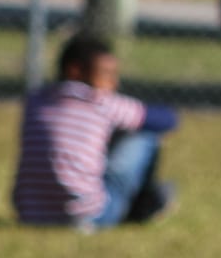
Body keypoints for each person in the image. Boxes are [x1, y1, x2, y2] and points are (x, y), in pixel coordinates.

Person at [11, 35, 179, 231]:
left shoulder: (35, 101)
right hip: (87, 216)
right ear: (74, 71)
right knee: (145, 137)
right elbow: (167, 119)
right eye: (106, 74)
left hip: (29, 213)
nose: (113, 84)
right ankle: (144, 205)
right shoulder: (98, 102)